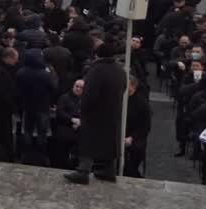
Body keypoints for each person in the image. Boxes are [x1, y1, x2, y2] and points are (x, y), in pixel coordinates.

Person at [65, 41, 127, 184]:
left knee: (88, 141)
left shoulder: (97, 70)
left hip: (95, 113)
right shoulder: (120, 70)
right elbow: (123, 88)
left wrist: (83, 108)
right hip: (113, 111)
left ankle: (83, 171)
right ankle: (108, 170)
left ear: (98, 55)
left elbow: (89, 94)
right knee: (110, 140)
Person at [124, 76, 152, 178]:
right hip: (119, 133)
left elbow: (145, 126)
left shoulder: (142, 103)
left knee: (135, 151)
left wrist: (131, 138)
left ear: (134, 87)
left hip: (135, 136)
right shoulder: (119, 98)